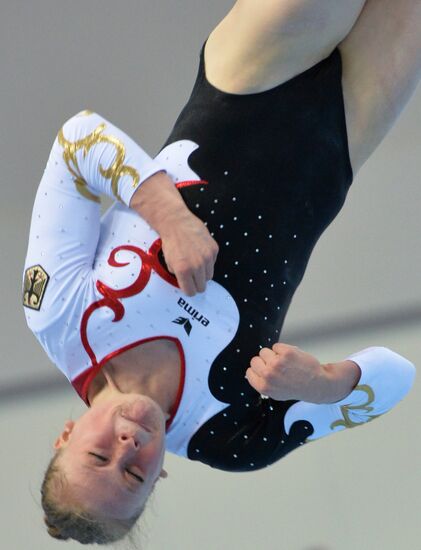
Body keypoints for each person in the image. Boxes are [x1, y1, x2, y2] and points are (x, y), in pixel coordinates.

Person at [23, 0, 420, 545]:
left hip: (248, 77)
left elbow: (77, 142)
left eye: (98, 454)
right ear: (159, 476)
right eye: (136, 473)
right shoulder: (231, 437)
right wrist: (325, 385)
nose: (126, 446)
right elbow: (397, 379)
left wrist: (170, 217)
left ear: (66, 435)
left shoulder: (60, 317)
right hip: (346, 140)